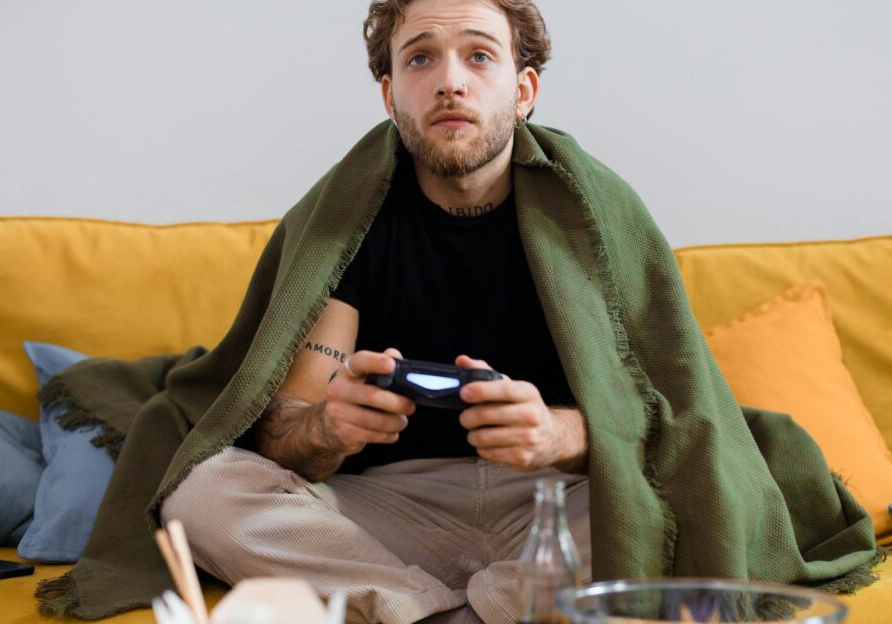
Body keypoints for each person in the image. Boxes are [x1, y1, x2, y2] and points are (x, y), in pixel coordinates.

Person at [161, 1, 588, 622]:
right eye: (420, 58)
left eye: (479, 55)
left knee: (688, 498)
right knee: (201, 494)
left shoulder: (590, 219)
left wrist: (555, 433)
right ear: (390, 95)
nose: (449, 81)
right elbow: (284, 425)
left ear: (524, 91)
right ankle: (435, 608)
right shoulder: (347, 222)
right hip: (387, 513)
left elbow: (656, 426)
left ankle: (435, 609)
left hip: (552, 506)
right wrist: (329, 426)